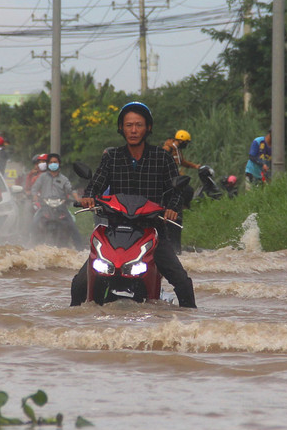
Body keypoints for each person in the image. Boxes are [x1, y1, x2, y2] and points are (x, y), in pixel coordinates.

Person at [71, 102, 196, 308]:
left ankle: (192, 328)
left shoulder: (162, 158)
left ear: (148, 128)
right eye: (129, 125)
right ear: (121, 128)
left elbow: (176, 190)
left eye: (139, 125)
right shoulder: (112, 157)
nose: (134, 130)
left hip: (152, 230)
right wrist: (89, 197)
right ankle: (72, 328)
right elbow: (96, 184)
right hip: (114, 231)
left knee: (182, 282)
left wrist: (172, 209)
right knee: (79, 284)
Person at [30, 153, 81, 246]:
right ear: (48, 164)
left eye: (55, 162)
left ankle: (80, 249)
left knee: (73, 225)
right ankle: (31, 245)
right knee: (35, 222)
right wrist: (35, 196)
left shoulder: (64, 179)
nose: (53, 164)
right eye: (51, 162)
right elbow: (34, 188)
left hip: (61, 207)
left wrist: (77, 198)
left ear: (59, 163)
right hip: (45, 206)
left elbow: (71, 189)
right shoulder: (42, 177)